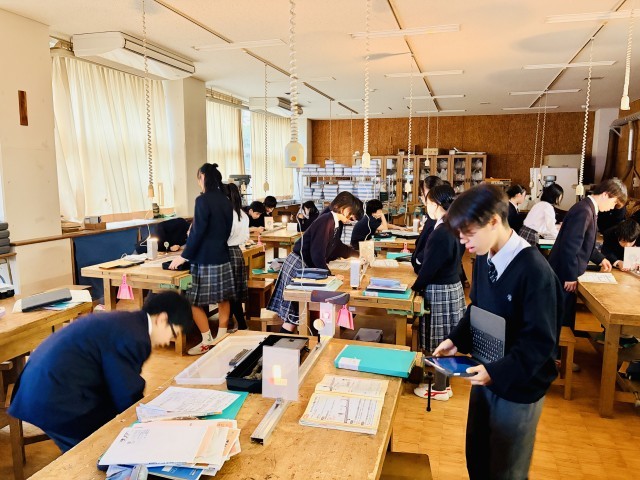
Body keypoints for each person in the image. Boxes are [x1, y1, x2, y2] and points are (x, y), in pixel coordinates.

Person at [434, 184, 562, 480]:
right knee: (478, 458)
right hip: (485, 372)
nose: (463, 241)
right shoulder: (484, 255)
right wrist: (456, 339)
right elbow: (477, 308)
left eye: (468, 232)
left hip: (518, 384)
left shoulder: (534, 270)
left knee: (506, 469)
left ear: (493, 221)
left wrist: (497, 372)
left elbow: (539, 343)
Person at [8, 291, 193, 452]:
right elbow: (126, 392)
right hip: (53, 396)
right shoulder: (137, 336)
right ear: (162, 319)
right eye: (173, 333)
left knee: (110, 432)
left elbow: (119, 383)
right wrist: (151, 421)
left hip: (43, 384)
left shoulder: (128, 322)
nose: (168, 340)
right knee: (94, 451)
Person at [268, 192, 363, 332]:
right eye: (352, 214)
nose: (351, 219)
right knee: (294, 316)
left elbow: (336, 247)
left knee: (298, 315)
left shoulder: (333, 222)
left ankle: (306, 341)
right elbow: (317, 254)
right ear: (343, 208)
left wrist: (357, 254)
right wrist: (330, 276)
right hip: (298, 265)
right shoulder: (327, 220)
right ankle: (281, 344)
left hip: (304, 265)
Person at [169, 163, 236, 354]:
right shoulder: (226, 200)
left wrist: (183, 256)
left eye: (198, 178)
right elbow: (227, 230)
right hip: (223, 255)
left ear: (203, 177)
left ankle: (207, 340)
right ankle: (221, 338)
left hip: (205, 258)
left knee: (193, 301)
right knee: (223, 299)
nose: (198, 182)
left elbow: (197, 232)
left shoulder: (202, 200)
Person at [548, 179, 628, 330]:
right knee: (561, 319)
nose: (612, 207)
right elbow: (570, 246)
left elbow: (585, 243)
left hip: (565, 271)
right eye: (614, 203)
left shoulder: (588, 208)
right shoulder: (584, 210)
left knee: (564, 317)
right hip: (563, 273)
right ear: (606, 194)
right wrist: (570, 276)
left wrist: (601, 259)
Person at [411, 184, 465, 402]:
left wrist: (415, 287)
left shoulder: (441, 231)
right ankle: (443, 383)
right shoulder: (453, 224)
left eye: (427, 203)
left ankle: (440, 388)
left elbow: (429, 268)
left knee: (439, 339)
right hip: (452, 286)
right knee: (446, 338)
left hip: (441, 289)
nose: (426, 208)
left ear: (434, 204)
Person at [225, 183, 250, 331]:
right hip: (237, 252)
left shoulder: (226, 214)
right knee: (235, 291)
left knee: (230, 292)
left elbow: (222, 237)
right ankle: (237, 323)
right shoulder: (243, 214)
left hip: (225, 253)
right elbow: (246, 237)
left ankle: (241, 324)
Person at [412, 176, 444, 273]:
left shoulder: (437, 218)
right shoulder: (432, 216)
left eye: (423, 194)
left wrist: (418, 260)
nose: (422, 198)